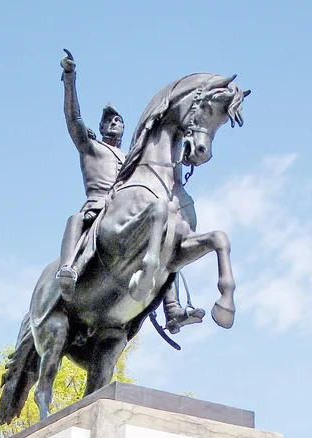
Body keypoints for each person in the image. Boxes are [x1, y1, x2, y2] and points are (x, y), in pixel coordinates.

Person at [56, 50, 204, 334]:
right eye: (109, 122)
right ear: (99, 128)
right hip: (100, 207)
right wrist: (69, 80)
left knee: (166, 240)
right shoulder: (91, 147)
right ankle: (69, 269)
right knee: (75, 219)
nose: (114, 124)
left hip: (132, 211)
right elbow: (73, 119)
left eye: (119, 121)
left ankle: (172, 308)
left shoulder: (132, 160)